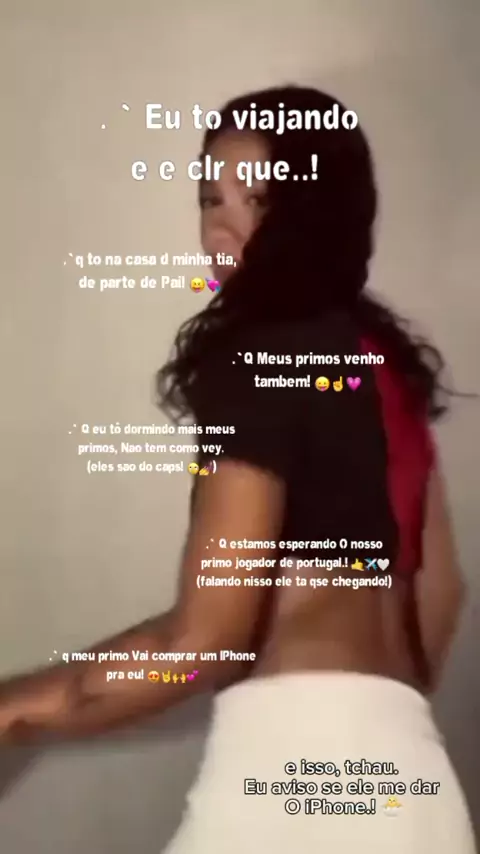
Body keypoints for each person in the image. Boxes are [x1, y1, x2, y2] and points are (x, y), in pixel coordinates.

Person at [0, 85, 476, 852]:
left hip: (292, 770)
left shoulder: (261, 354)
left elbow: (202, 642)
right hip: (414, 780)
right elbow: (442, 594)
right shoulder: (380, 365)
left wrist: (15, 709)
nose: (220, 227)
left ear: (312, 211)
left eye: (255, 200)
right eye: (208, 198)